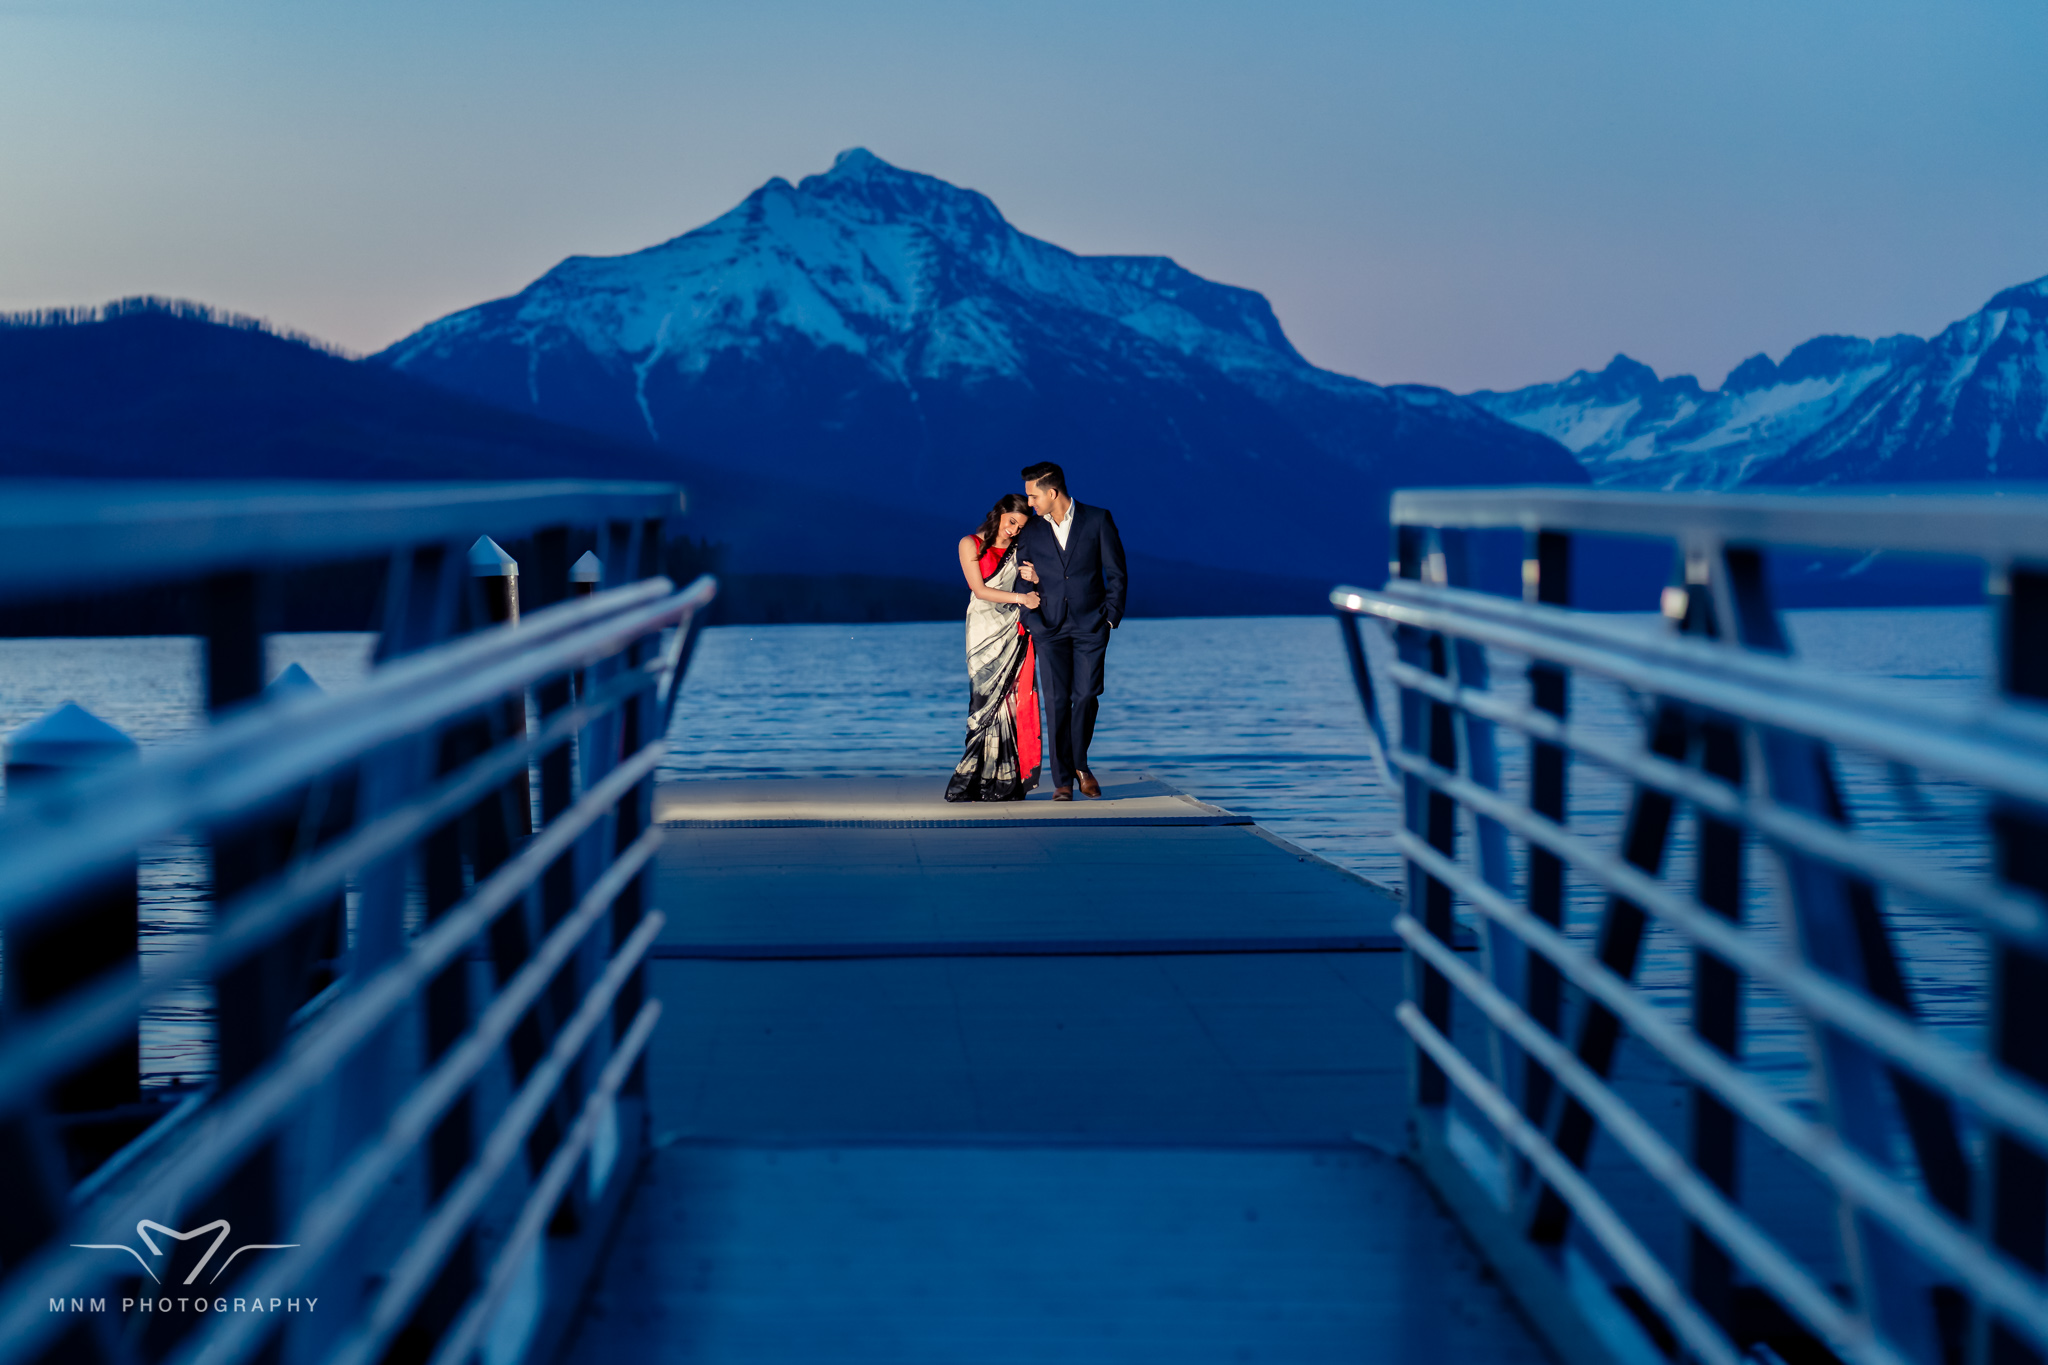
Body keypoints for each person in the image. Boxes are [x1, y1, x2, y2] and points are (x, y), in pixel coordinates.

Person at [1014, 461, 1126, 800]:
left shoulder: (1097, 519)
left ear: (1052, 492)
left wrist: (1110, 618)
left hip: (1092, 625)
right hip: (1047, 626)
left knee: (1087, 697)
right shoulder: (1031, 531)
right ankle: (1063, 780)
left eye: (1033, 496)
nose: (1029, 503)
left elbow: (1116, 573)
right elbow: (1022, 576)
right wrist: (1030, 619)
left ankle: (1081, 764)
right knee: (1056, 701)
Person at [944, 493, 1044, 802]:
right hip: (983, 629)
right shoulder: (969, 543)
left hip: (1013, 629)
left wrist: (1036, 578)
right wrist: (1022, 599)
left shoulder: (1020, 549)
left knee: (1009, 703)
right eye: (1011, 521)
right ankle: (972, 780)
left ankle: (1004, 782)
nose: (1013, 530)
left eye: (1020, 526)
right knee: (984, 701)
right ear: (999, 513)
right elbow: (979, 589)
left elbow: (1039, 584)